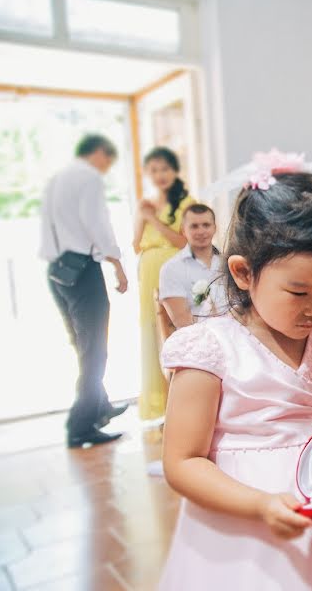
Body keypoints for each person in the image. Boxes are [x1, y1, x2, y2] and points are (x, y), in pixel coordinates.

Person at [158, 166, 312, 590]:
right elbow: (182, 462)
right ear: (243, 273)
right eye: (299, 293)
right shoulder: (208, 349)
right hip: (240, 532)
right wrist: (259, 505)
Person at [40, 134, 129, 448]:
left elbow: (47, 226)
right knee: (95, 349)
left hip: (58, 270)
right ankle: (80, 427)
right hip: (83, 272)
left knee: (82, 344)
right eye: (108, 161)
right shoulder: (89, 177)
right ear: (99, 154)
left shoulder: (56, 178)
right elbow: (97, 224)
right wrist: (117, 263)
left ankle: (100, 407)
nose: (106, 168)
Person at [133, 147, 196, 421]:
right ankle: (158, 402)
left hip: (174, 266)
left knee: (177, 329)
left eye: (164, 169)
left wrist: (152, 220)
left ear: (174, 170)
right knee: (151, 330)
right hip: (148, 270)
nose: (160, 175)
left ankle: (182, 398)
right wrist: (142, 216)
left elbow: (182, 241)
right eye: (154, 170)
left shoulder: (186, 202)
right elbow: (136, 244)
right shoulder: (145, 204)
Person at [158, 204, 226, 329]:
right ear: (183, 230)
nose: (201, 231)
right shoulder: (171, 269)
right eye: (194, 226)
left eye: (206, 225)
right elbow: (182, 322)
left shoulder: (227, 263)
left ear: (215, 228)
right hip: (198, 340)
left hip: (237, 335)